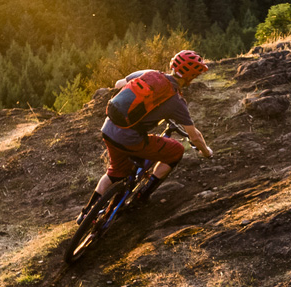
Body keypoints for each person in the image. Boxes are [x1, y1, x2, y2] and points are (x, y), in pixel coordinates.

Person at [77, 50, 214, 223]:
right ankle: (141, 196)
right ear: (191, 76)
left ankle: (86, 213)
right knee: (176, 151)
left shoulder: (149, 74)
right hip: (129, 138)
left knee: (116, 172)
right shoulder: (176, 101)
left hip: (109, 128)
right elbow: (194, 137)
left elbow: (119, 83)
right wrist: (206, 152)